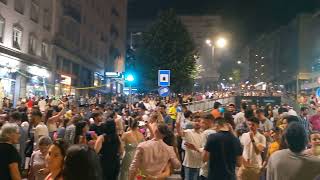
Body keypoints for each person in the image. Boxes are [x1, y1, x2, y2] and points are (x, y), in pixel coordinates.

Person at [176, 116, 203, 180]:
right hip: (189, 164)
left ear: (202, 123)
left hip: (201, 164)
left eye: (199, 121)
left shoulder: (204, 133)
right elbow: (180, 132)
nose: (197, 122)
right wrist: (178, 123)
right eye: (195, 121)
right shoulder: (188, 132)